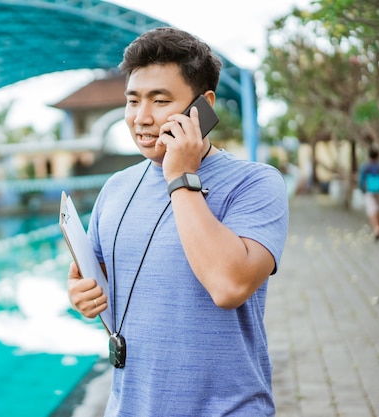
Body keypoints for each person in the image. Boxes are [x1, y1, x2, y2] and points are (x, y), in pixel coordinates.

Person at [67, 27, 289, 416]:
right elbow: (95, 277)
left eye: (160, 100)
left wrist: (181, 176)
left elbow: (228, 285)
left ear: (202, 107)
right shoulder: (116, 188)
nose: (142, 118)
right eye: (133, 101)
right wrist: (81, 294)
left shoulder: (256, 183)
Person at [358, 147, 379, 240]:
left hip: (369, 191)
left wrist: (363, 191)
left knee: (372, 210)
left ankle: (376, 228)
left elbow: (361, 181)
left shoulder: (365, 166)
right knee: (378, 210)